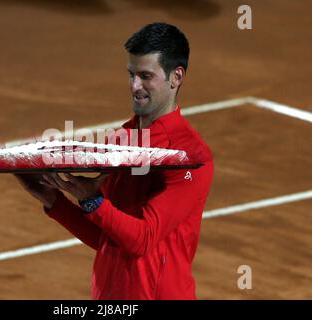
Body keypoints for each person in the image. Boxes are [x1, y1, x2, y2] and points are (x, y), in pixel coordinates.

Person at [15, 22, 214, 300]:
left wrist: (92, 201)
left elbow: (142, 239)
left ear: (176, 76)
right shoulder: (118, 142)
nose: (135, 86)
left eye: (146, 76)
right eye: (131, 74)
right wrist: (53, 200)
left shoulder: (190, 157)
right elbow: (108, 239)